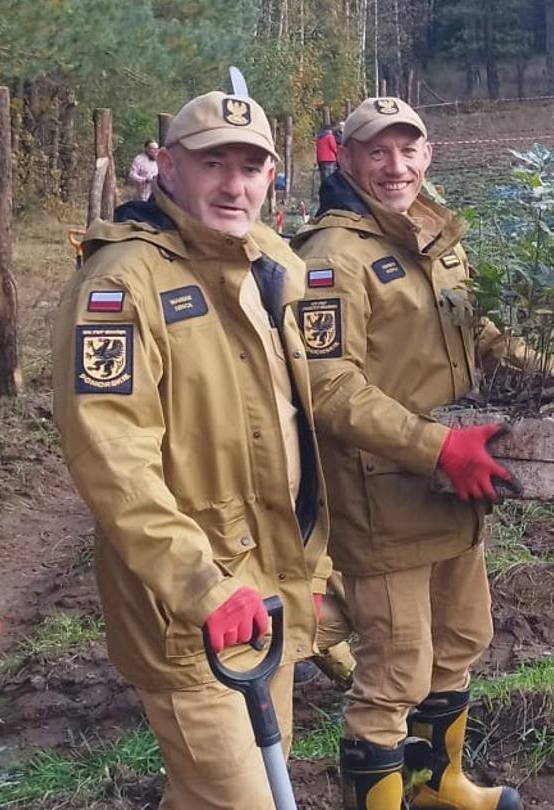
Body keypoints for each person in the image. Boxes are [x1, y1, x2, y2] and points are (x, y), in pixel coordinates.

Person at [52, 91, 335, 810]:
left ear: (273, 176)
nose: (233, 184)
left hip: (268, 585)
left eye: (251, 166)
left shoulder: (267, 263)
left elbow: (295, 424)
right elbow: (111, 457)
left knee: (240, 788)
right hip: (189, 610)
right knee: (239, 799)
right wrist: (203, 586)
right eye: (214, 163)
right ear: (168, 168)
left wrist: (313, 565)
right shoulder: (120, 283)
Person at [291, 97, 529, 810]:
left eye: (409, 150)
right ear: (349, 158)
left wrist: (542, 358)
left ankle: (439, 786)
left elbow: (475, 330)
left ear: (429, 155)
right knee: (396, 669)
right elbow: (328, 388)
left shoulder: (436, 233)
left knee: (460, 637)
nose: (395, 167)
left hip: (457, 482)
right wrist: (434, 448)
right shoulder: (331, 256)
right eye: (377, 152)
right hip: (385, 490)